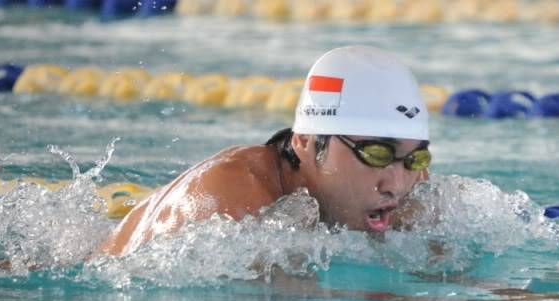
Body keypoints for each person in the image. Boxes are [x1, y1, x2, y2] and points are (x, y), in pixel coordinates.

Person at [98, 45, 432, 257]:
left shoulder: (407, 185)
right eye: (375, 154)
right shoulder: (230, 198)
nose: (396, 185)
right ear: (305, 141)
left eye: (415, 158)